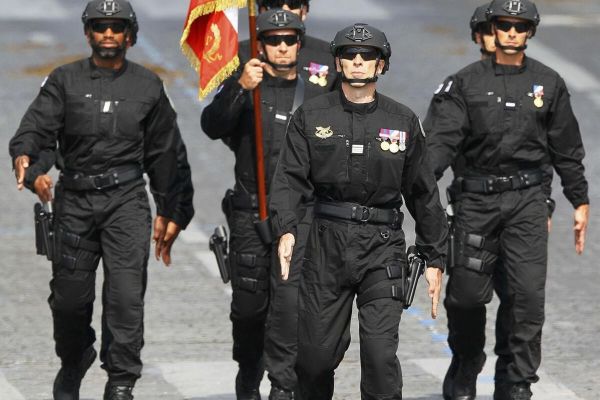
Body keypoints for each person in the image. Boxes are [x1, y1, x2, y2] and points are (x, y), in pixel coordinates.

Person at [8, 1, 194, 399]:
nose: (108, 33)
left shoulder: (148, 85)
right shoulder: (64, 80)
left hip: (126, 202)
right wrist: (31, 164)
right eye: (99, 26)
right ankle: (75, 358)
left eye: (116, 27)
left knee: (126, 298)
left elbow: (167, 155)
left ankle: (121, 381)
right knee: (69, 301)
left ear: (130, 35)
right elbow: (37, 131)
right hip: (74, 203)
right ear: (87, 32)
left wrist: (173, 209)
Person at [269, 23, 447, 400]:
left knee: (380, 358)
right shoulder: (311, 115)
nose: (359, 61)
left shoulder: (402, 121)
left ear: (381, 65)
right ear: (338, 62)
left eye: (368, 56)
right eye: (350, 54)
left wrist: (434, 255)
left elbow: (423, 191)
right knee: (314, 360)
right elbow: (289, 179)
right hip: (325, 246)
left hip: (382, 247)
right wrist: (285, 228)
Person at [423, 1, 589, 399]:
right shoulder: (464, 84)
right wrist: (418, 189)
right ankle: (466, 360)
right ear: (493, 29)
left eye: (520, 26)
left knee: (526, 298)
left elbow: (566, 148)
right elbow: (439, 145)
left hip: (527, 202)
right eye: (504, 25)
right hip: (475, 203)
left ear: (530, 31)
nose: (512, 32)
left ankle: (515, 381)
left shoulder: (548, 83)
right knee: (465, 297)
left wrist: (579, 199)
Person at [201, 9, 329, 400]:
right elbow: (212, 126)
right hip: (251, 212)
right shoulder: (247, 85)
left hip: (301, 213)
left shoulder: (319, 93)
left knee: (289, 306)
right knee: (249, 308)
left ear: (300, 44)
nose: (282, 47)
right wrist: (240, 88)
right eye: (274, 40)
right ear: (261, 45)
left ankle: (282, 385)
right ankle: (248, 367)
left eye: (290, 40)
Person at [239, 0, 338, 92]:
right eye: (276, 4)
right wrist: (240, 87)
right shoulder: (238, 56)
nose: (284, 9)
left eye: (293, 3)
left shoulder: (329, 55)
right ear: (262, 10)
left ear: (304, 11)